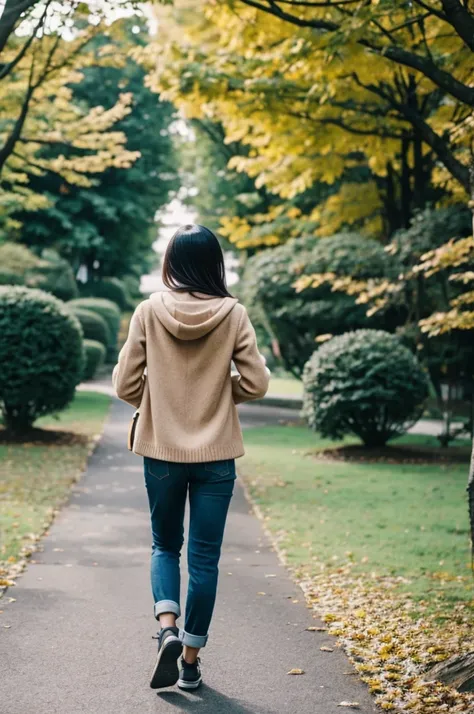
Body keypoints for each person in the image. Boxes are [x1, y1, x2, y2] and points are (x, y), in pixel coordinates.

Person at [113, 224, 270, 691]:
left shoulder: (147, 311)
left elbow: (124, 385)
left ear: (171, 263)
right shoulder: (233, 313)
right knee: (204, 559)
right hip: (216, 454)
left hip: (160, 450)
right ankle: (190, 662)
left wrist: (159, 399)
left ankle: (166, 627)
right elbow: (257, 382)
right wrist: (221, 396)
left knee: (165, 545)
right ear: (214, 264)